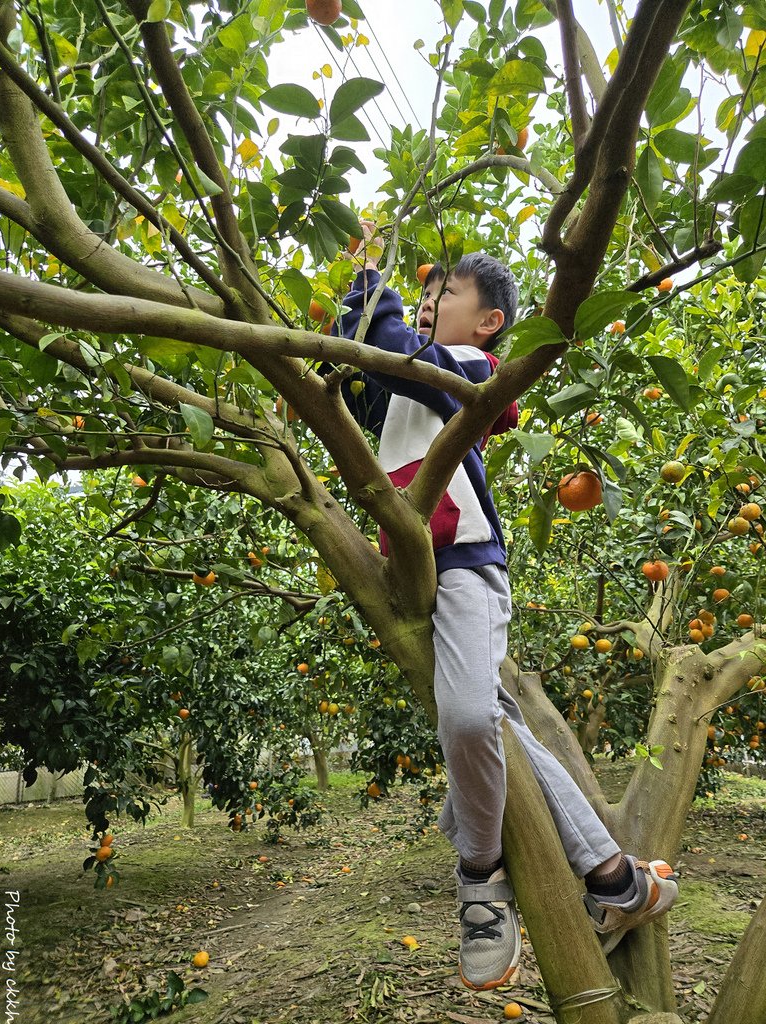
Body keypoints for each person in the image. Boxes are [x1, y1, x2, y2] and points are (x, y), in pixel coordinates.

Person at [329, 225, 679, 991]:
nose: (423, 306)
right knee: (493, 720)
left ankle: (481, 879)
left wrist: (378, 296)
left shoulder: (473, 369)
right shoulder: (403, 381)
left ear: (489, 322)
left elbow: (404, 359)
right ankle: (617, 879)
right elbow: (352, 367)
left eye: (440, 295)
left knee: (467, 720)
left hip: (464, 570)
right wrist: (358, 286)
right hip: (409, 574)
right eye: (420, 295)